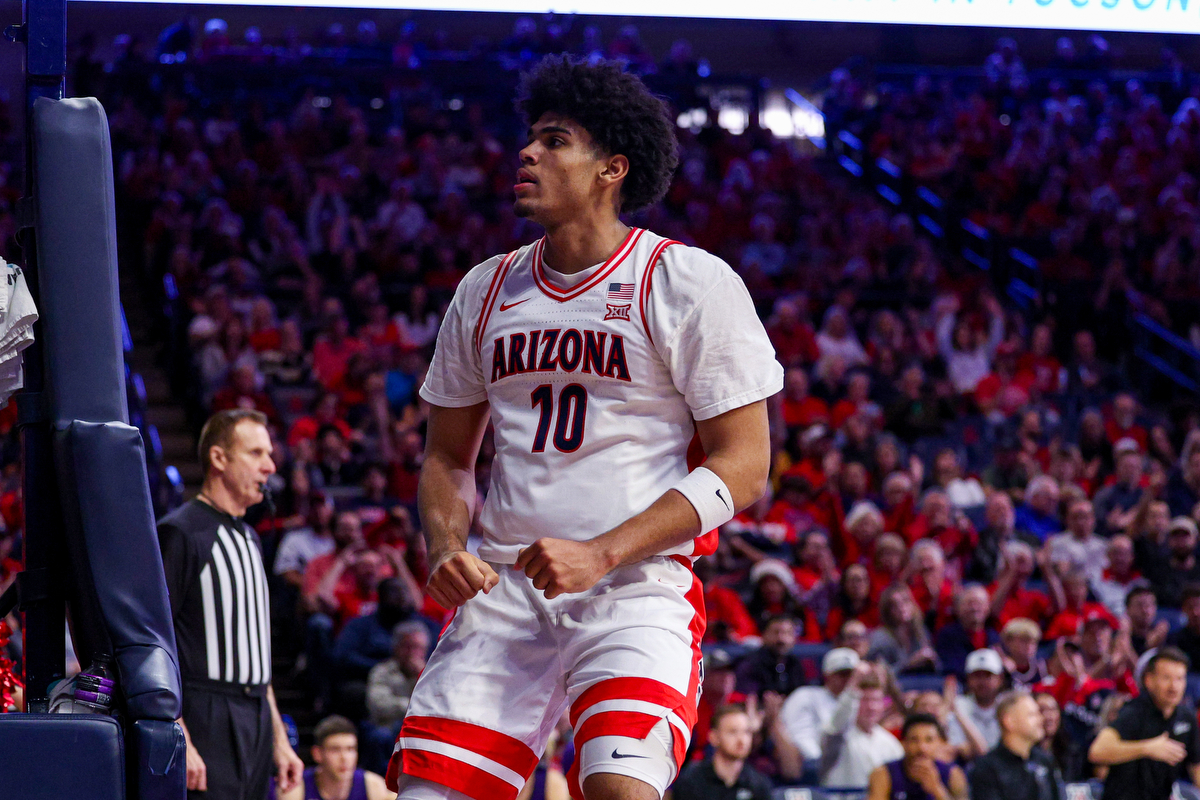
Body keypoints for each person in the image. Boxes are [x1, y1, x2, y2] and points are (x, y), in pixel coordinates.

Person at [388, 55, 783, 800]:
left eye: (555, 139)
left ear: (612, 168)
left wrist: (600, 554)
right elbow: (447, 460)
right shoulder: (486, 287)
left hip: (633, 589)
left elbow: (744, 466)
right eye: (530, 138)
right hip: (503, 591)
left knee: (618, 791)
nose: (527, 153)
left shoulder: (687, 281)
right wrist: (444, 545)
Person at [157, 409, 304, 799]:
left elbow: (256, 652)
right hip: (205, 712)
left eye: (270, 454)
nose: (270, 466)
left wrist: (279, 740)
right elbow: (155, 640)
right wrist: (179, 732)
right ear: (219, 459)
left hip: (255, 712)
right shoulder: (180, 532)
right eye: (256, 453)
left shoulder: (251, 539)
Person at [1088, 646, 1200, 800]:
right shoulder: (1134, 712)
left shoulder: (1187, 718)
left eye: (1180, 678)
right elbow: (1097, 751)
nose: (1174, 686)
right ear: (1149, 680)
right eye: (1166, 678)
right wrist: (1147, 748)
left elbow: (1196, 768)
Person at [819, 664, 905, 788]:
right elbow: (837, 721)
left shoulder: (890, 743)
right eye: (864, 700)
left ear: (883, 705)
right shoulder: (839, 734)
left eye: (875, 700)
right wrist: (854, 683)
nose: (871, 707)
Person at [967, 691, 1063, 800]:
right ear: (1009, 722)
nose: (1041, 719)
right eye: (1032, 715)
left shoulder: (1045, 760)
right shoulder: (987, 769)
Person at [780, 647, 861, 771]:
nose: (848, 680)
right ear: (827, 675)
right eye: (842, 674)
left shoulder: (861, 700)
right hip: (814, 768)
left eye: (852, 675)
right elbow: (798, 735)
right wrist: (816, 760)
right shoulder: (806, 695)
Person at [280, 714, 395, 800]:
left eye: (350, 749)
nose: (344, 758)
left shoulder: (373, 786)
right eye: (335, 750)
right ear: (317, 754)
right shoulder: (297, 788)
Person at [670, 705, 773, 800]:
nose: (742, 740)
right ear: (714, 737)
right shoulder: (691, 780)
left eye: (746, 732)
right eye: (733, 732)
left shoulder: (759, 784)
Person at [866, 714, 968, 800]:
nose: (922, 748)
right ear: (903, 743)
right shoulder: (883, 773)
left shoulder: (953, 774)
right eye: (914, 740)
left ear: (940, 742)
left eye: (929, 740)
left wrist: (937, 790)